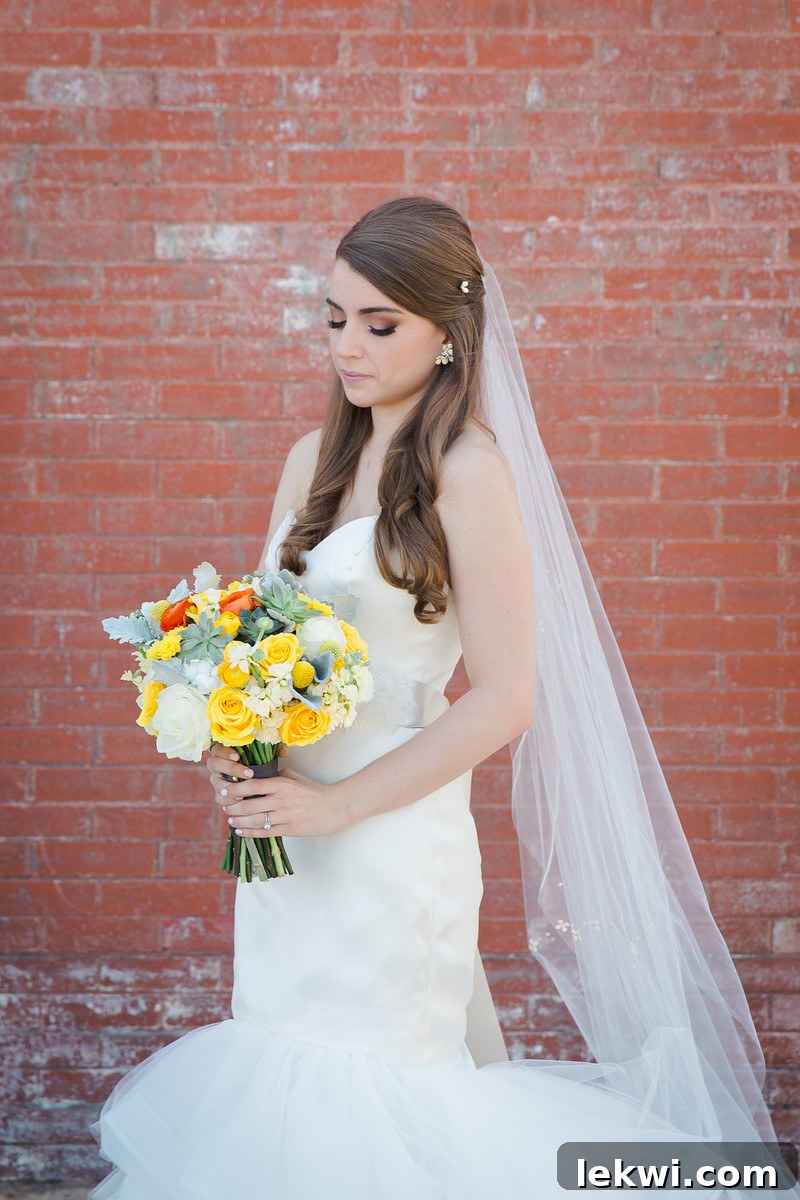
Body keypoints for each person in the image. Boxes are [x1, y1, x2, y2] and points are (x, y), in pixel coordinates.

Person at [91, 196, 784, 1199]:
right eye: (335, 319)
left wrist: (336, 804)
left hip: (388, 835)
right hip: (285, 842)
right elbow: (252, 639)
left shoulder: (468, 474)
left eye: (380, 325)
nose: (349, 346)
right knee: (284, 1066)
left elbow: (505, 698)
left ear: (448, 335)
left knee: (388, 1086)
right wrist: (226, 737)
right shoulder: (309, 463)